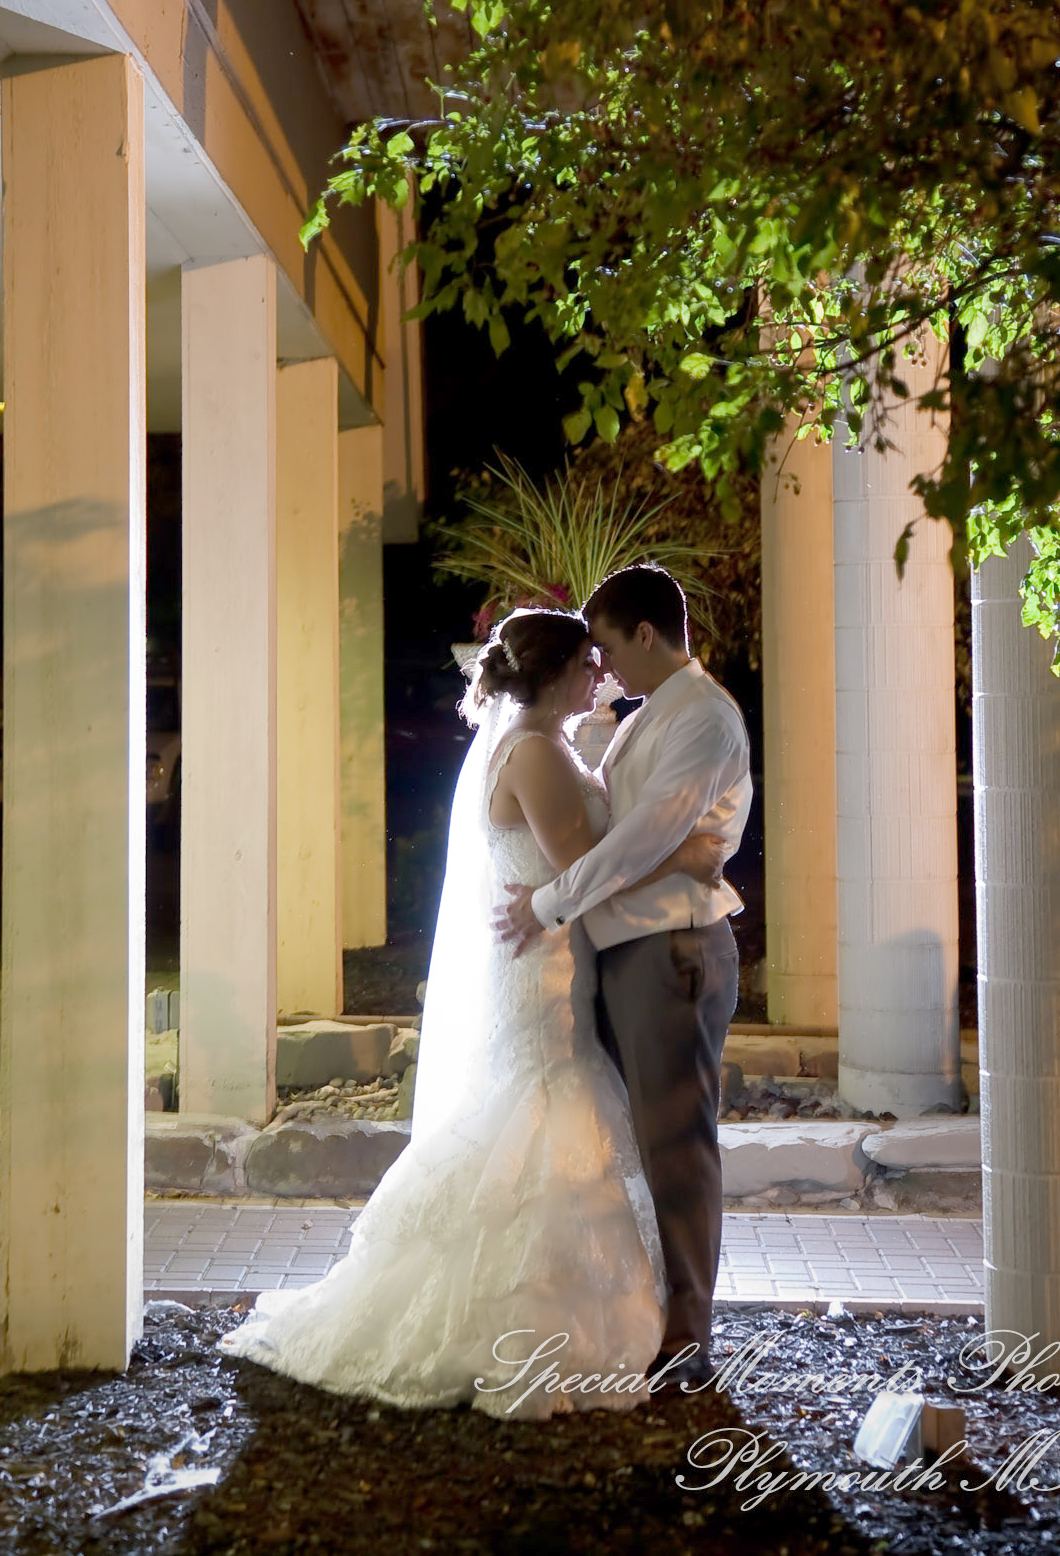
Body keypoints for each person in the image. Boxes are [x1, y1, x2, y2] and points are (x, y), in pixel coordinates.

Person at [220, 606, 724, 1419]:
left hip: (547, 960)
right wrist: (687, 852)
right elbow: (582, 868)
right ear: (556, 672)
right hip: (544, 973)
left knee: (529, 1125)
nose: (600, 674)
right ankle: (523, 1324)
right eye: (587, 664)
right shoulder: (534, 750)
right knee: (541, 1117)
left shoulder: (536, 743)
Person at [495, 564, 751, 1392]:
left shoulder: (705, 720)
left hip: (672, 951)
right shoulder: (648, 717)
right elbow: (632, 828)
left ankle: (687, 1335)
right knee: (632, 1141)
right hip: (624, 951)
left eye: (606, 644)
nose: (600, 664)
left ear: (646, 634)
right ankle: (642, 1313)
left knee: (678, 1143)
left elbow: (640, 839)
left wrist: (549, 901)